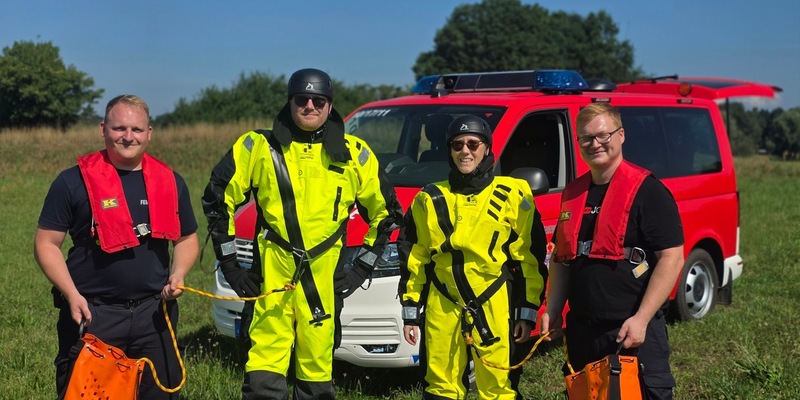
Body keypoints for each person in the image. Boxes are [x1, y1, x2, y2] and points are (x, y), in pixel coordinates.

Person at [202, 68, 403, 399]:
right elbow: (216, 201)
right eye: (302, 99)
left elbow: (386, 215)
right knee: (264, 367)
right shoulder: (256, 147)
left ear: (329, 104)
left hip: (323, 286)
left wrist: (361, 269)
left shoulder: (355, 153)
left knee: (316, 372)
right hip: (271, 282)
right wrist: (231, 267)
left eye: (318, 100)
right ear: (290, 102)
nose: (310, 106)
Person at [34, 94, 200, 399]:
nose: (128, 137)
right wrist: (71, 295)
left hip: (155, 314)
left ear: (149, 132)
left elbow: (187, 238)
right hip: (93, 315)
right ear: (103, 129)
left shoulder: (171, 181)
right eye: (119, 128)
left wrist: (178, 274)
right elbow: (46, 243)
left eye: (136, 130)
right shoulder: (72, 182)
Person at [540, 103, 684, 399]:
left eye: (603, 135)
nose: (595, 144)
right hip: (583, 333)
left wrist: (642, 318)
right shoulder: (574, 193)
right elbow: (561, 259)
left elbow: (672, 257)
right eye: (586, 138)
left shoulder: (648, 191)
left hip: (632, 333)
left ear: (621, 135)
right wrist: (553, 310)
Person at [399, 115, 548, 399]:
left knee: (497, 388)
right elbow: (414, 259)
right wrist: (410, 312)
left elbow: (530, 259)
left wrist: (527, 311)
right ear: (449, 150)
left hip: (494, 302)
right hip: (443, 303)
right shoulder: (428, 199)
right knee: (440, 386)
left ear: (487, 148)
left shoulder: (513, 195)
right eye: (457, 145)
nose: (465, 151)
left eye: (473, 144)